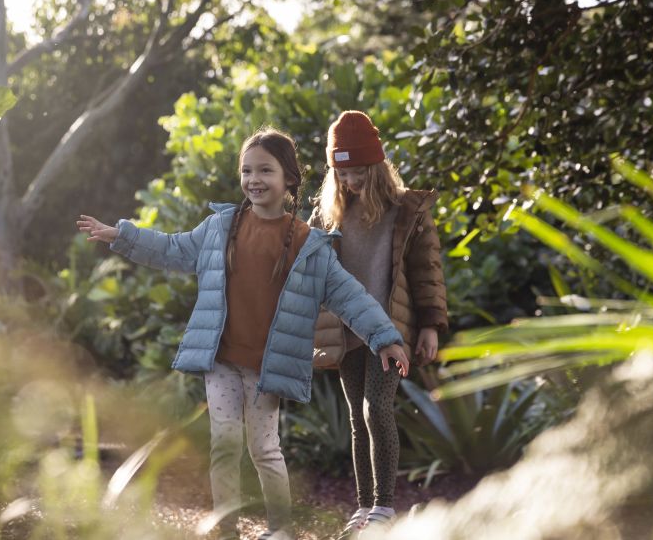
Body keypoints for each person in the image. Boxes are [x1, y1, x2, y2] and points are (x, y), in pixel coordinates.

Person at [77, 127, 410, 540]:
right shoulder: (220, 228)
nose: (254, 179)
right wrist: (121, 235)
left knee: (265, 450)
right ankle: (227, 528)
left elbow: (350, 296)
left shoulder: (309, 245)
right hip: (221, 361)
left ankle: (280, 529)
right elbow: (173, 248)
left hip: (266, 368)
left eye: (264, 170)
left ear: (289, 178)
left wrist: (384, 336)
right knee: (224, 445)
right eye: (247, 170)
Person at [309, 111, 448, 539]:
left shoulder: (406, 211)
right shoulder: (329, 216)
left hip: (393, 331)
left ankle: (385, 506)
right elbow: (305, 265)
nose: (351, 181)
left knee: (377, 408)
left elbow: (427, 272)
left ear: (377, 167)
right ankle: (365, 505)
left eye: (358, 172)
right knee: (357, 416)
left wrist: (430, 326)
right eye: (342, 173)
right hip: (347, 330)